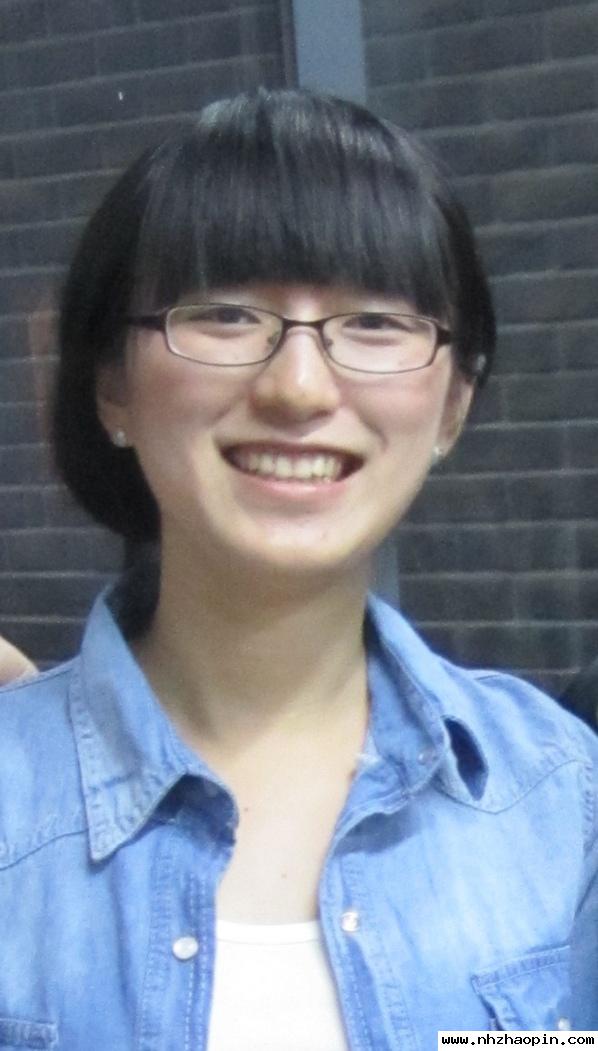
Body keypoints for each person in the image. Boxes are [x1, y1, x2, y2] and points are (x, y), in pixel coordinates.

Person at [0, 89, 595, 1049]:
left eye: (375, 323)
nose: (299, 387)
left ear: (454, 402)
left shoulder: (558, 799)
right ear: (112, 383)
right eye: (227, 314)